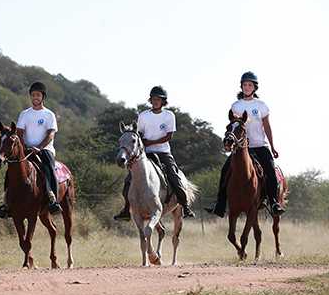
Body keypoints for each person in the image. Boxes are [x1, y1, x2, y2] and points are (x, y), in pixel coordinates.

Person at [206, 71, 284, 217]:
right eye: (244, 85)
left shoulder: (261, 105)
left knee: (271, 171)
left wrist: (272, 146)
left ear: (254, 87)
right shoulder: (236, 105)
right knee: (225, 171)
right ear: (241, 87)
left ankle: (273, 202)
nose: (247, 87)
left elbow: (267, 126)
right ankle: (220, 204)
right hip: (242, 148)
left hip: (260, 146)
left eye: (250, 85)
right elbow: (234, 126)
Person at [114, 86, 196, 220]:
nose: (155, 101)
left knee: (174, 176)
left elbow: (168, 136)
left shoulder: (169, 115)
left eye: (158, 99)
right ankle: (126, 210)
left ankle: (185, 206)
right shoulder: (143, 115)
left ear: (163, 101)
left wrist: (150, 143)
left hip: (163, 152)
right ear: (150, 100)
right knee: (128, 180)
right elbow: (138, 134)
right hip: (145, 153)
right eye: (153, 99)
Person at [0, 81, 63, 218]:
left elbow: (51, 134)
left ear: (43, 97)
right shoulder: (25, 114)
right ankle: (6, 203)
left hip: (44, 150)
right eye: (33, 95)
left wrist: (40, 147)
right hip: (26, 149)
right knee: (11, 171)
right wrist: (23, 147)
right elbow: (19, 133)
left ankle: (53, 201)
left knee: (48, 168)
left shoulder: (49, 115)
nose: (35, 97)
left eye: (38, 95)